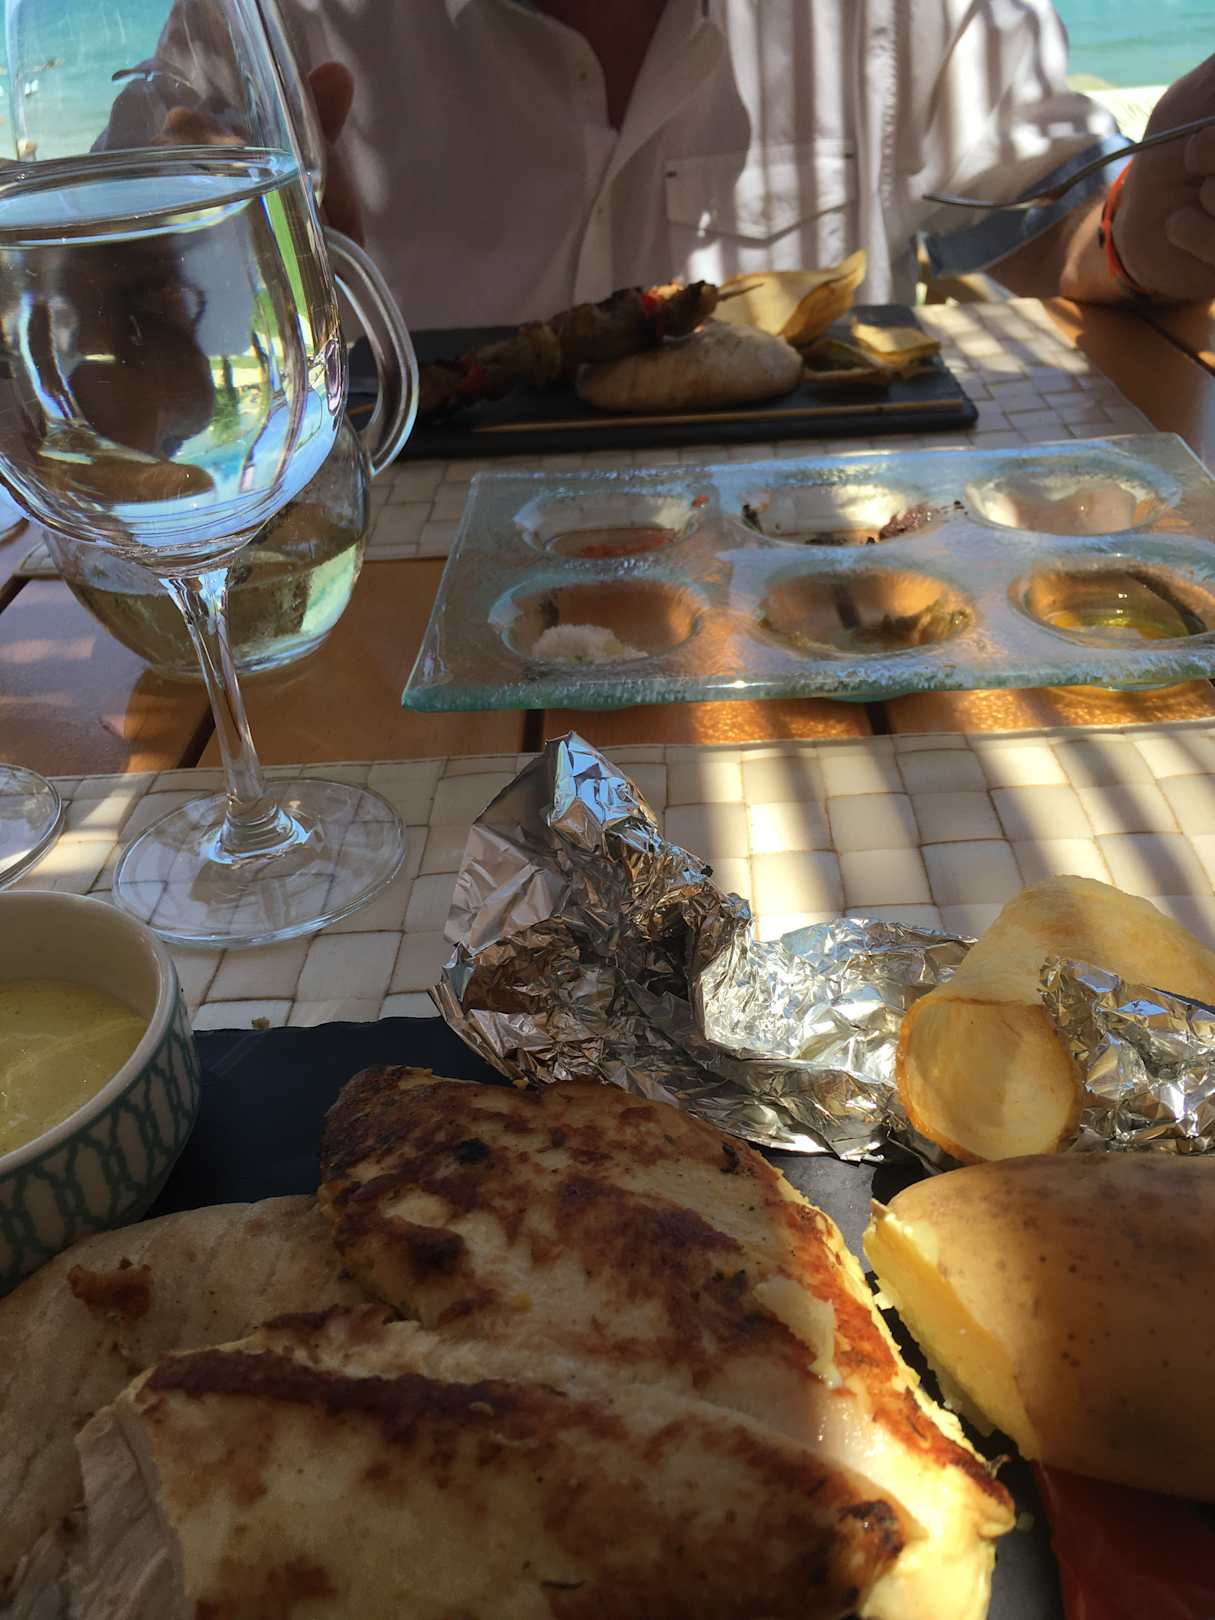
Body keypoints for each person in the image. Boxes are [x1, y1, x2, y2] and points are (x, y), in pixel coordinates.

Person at [282, 0, 1215, 329]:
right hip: (403, 584)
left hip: (811, 579)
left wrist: (1149, 231)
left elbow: (1044, 220)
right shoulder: (279, 23)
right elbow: (194, 353)